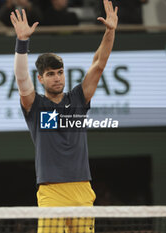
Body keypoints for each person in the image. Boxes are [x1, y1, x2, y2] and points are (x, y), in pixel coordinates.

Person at [10, 0, 118, 231]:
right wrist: (22, 42)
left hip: (82, 191)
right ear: (41, 79)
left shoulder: (78, 99)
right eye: (50, 74)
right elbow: (21, 79)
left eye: (60, 72)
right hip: (52, 192)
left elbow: (99, 63)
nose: (57, 77)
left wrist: (110, 31)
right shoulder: (35, 105)